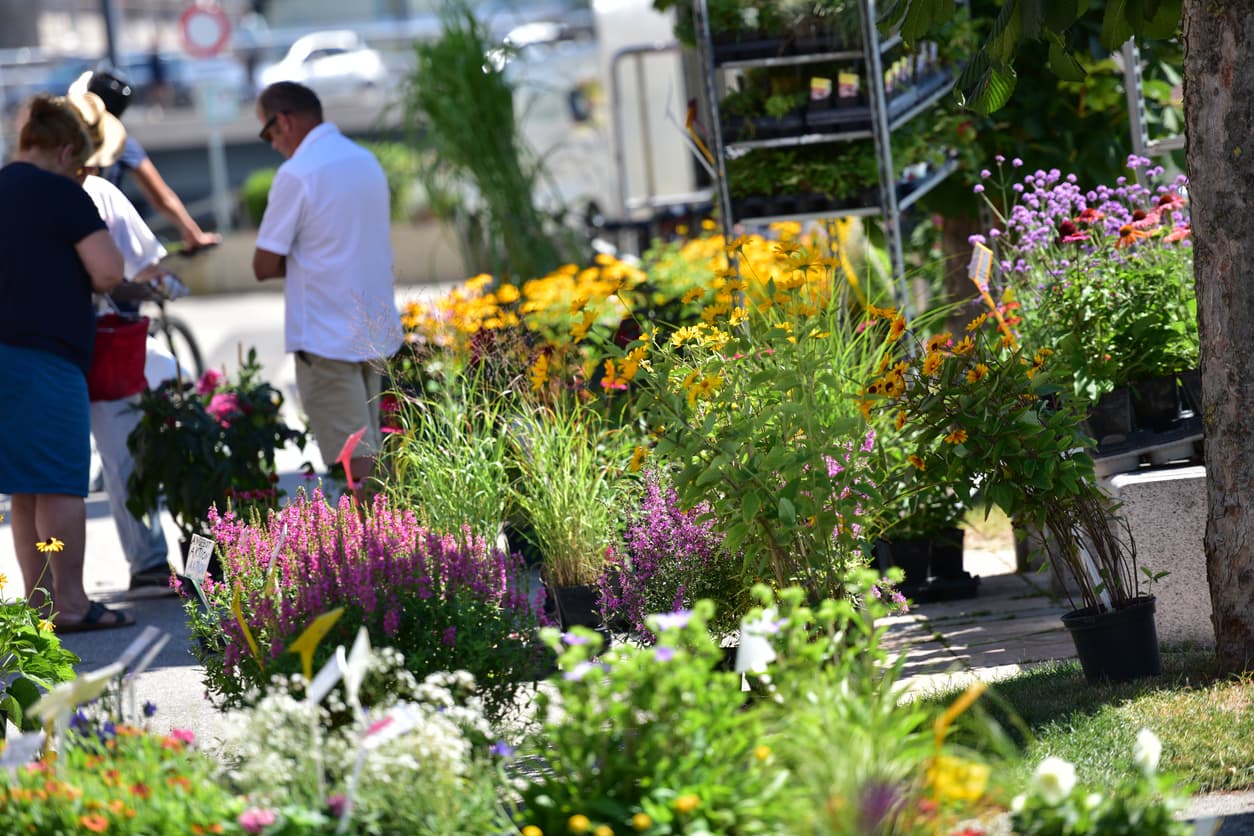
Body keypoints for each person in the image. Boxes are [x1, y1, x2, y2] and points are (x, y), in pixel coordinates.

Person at [0, 94, 133, 632]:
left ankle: (37, 605)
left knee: (25, 487)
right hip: (46, 355)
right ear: (64, 151)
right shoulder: (61, 193)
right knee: (59, 482)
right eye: (79, 165)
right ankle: (72, 602)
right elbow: (108, 271)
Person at [251, 81, 402, 502]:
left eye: (268, 132)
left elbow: (263, 265)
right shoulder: (365, 160)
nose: (272, 144)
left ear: (284, 121)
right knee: (374, 453)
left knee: (357, 465)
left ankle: (381, 542)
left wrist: (305, 256)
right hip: (374, 333)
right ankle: (393, 536)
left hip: (326, 337)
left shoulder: (297, 173)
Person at [65, 90, 175, 596]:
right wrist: (154, 287)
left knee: (48, 477)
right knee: (124, 449)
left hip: (38, 345)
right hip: (102, 343)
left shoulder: (20, 190)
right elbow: (144, 268)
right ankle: (150, 560)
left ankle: (54, 592)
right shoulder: (99, 194)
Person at [69, 69, 221, 253]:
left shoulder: (64, 135)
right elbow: (162, 197)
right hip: (100, 234)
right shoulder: (121, 143)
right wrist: (194, 235)